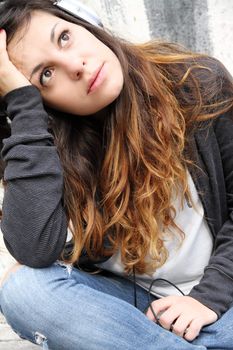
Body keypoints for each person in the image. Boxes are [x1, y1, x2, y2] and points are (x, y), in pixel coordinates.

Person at [0, 0, 233, 349]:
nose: (74, 65)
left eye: (64, 37)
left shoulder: (196, 83)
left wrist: (207, 300)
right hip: (140, 309)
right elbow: (34, 250)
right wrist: (23, 106)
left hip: (224, 294)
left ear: (85, 24)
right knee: (23, 290)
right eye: (44, 75)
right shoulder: (43, 147)